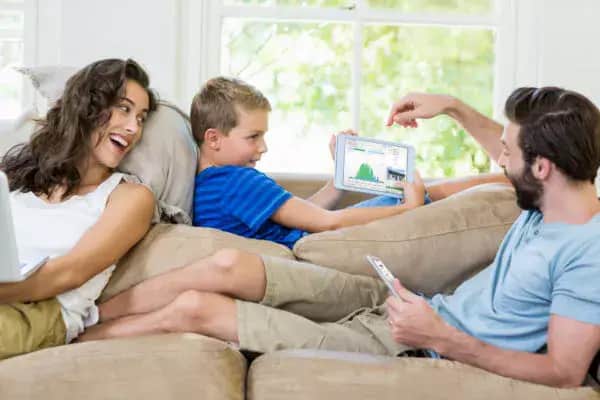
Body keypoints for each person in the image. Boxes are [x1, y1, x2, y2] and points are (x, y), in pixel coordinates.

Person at [80, 86, 600, 388]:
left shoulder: (586, 251)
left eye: (509, 153)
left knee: (198, 307)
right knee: (220, 274)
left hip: (422, 347)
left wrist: (440, 338)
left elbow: (564, 371)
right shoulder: (548, 196)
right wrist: (452, 107)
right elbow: (505, 159)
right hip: (410, 307)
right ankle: (81, 315)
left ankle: (65, 334)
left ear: (544, 166)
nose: (500, 159)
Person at [190, 77, 506, 248]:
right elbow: (326, 222)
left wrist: (337, 180)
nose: (263, 147)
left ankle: (509, 182)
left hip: (319, 238)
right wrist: (406, 209)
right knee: (428, 193)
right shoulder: (238, 181)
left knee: (427, 191)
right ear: (214, 138)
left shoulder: (212, 186)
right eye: (253, 137)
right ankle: (511, 182)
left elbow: (302, 214)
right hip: (330, 243)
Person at [0, 58, 156, 359]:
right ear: (88, 107)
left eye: (141, 117)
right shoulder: (20, 178)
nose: (133, 127)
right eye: (124, 108)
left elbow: (68, 274)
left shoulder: (129, 197)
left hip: (42, 313)